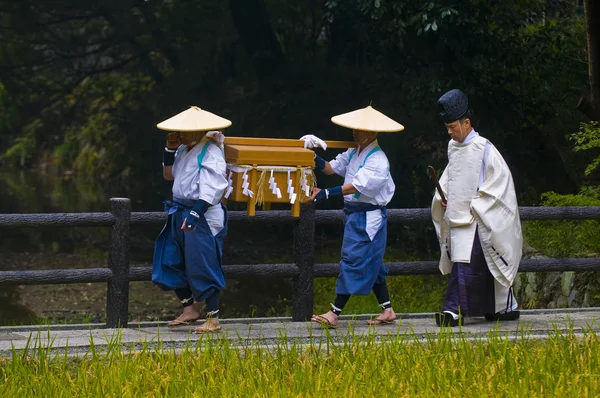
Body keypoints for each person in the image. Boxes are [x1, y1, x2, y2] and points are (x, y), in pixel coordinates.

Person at [301, 105, 404, 328]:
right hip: (356, 216)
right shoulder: (354, 152)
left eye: (359, 129)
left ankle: (334, 313)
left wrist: (326, 193)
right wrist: (311, 154)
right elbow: (330, 169)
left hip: (369, 218)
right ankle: (388, 310)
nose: (354, 132)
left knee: (353, 260)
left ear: (371, 132)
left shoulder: (378, 161)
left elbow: (355, 187)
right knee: (372, 264)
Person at [431, 89, 522, 327]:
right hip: (458, 218)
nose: (449, 132)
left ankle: (457, 310)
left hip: (477, 218)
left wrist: (478, 205)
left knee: (472, 262)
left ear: (467, 122)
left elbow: (501, 186)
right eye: (447, 128)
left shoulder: (485, 149)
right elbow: (450, 178)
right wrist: (444, 197)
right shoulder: (454, 147)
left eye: (452, 127)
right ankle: (496, 308)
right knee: (466, 262)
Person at [152, 106, 230, 333]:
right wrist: (170, 148)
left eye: (184, 131)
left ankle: (213, 318)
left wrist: (196, 213)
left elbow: (213, 187)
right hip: (179, 210)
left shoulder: (211, 152)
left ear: (198, 131)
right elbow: (169, 175)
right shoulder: (185, 149)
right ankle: (189, 309)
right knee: (170, 259)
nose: (180, 135)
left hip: (202, 213)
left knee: (202, 262)